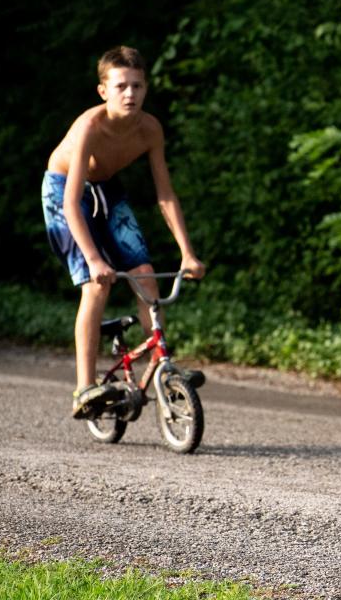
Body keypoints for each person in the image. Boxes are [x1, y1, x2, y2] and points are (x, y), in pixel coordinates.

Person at [41, 46, 205, 419]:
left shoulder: (150, 129)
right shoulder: (89, 127)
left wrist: (187, 252)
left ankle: (161, 368)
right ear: (103, 91)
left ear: (146, 88)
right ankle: (85, 388)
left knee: (145, 275)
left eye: (137, 86)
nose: (129, 94)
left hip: (106, 189)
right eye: (121, 87)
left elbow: (165, 194)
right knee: (97, 284)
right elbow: (70, 203)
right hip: (65, 190)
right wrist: (96, 259)